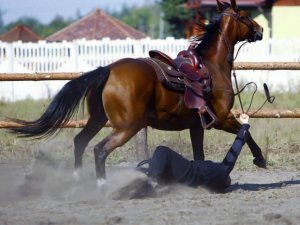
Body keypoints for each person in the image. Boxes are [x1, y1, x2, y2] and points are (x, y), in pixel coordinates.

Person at [138, 114, 250, 191]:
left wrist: (245, 125)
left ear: (224, 181)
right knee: (160, 165)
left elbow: (235, 150)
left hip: (190, 172)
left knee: (162, 150)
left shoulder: (222, 171)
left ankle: (151, 181)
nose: (229, 178)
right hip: (182, 178)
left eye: (228, 180)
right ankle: (143, 177)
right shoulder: (212, 181)